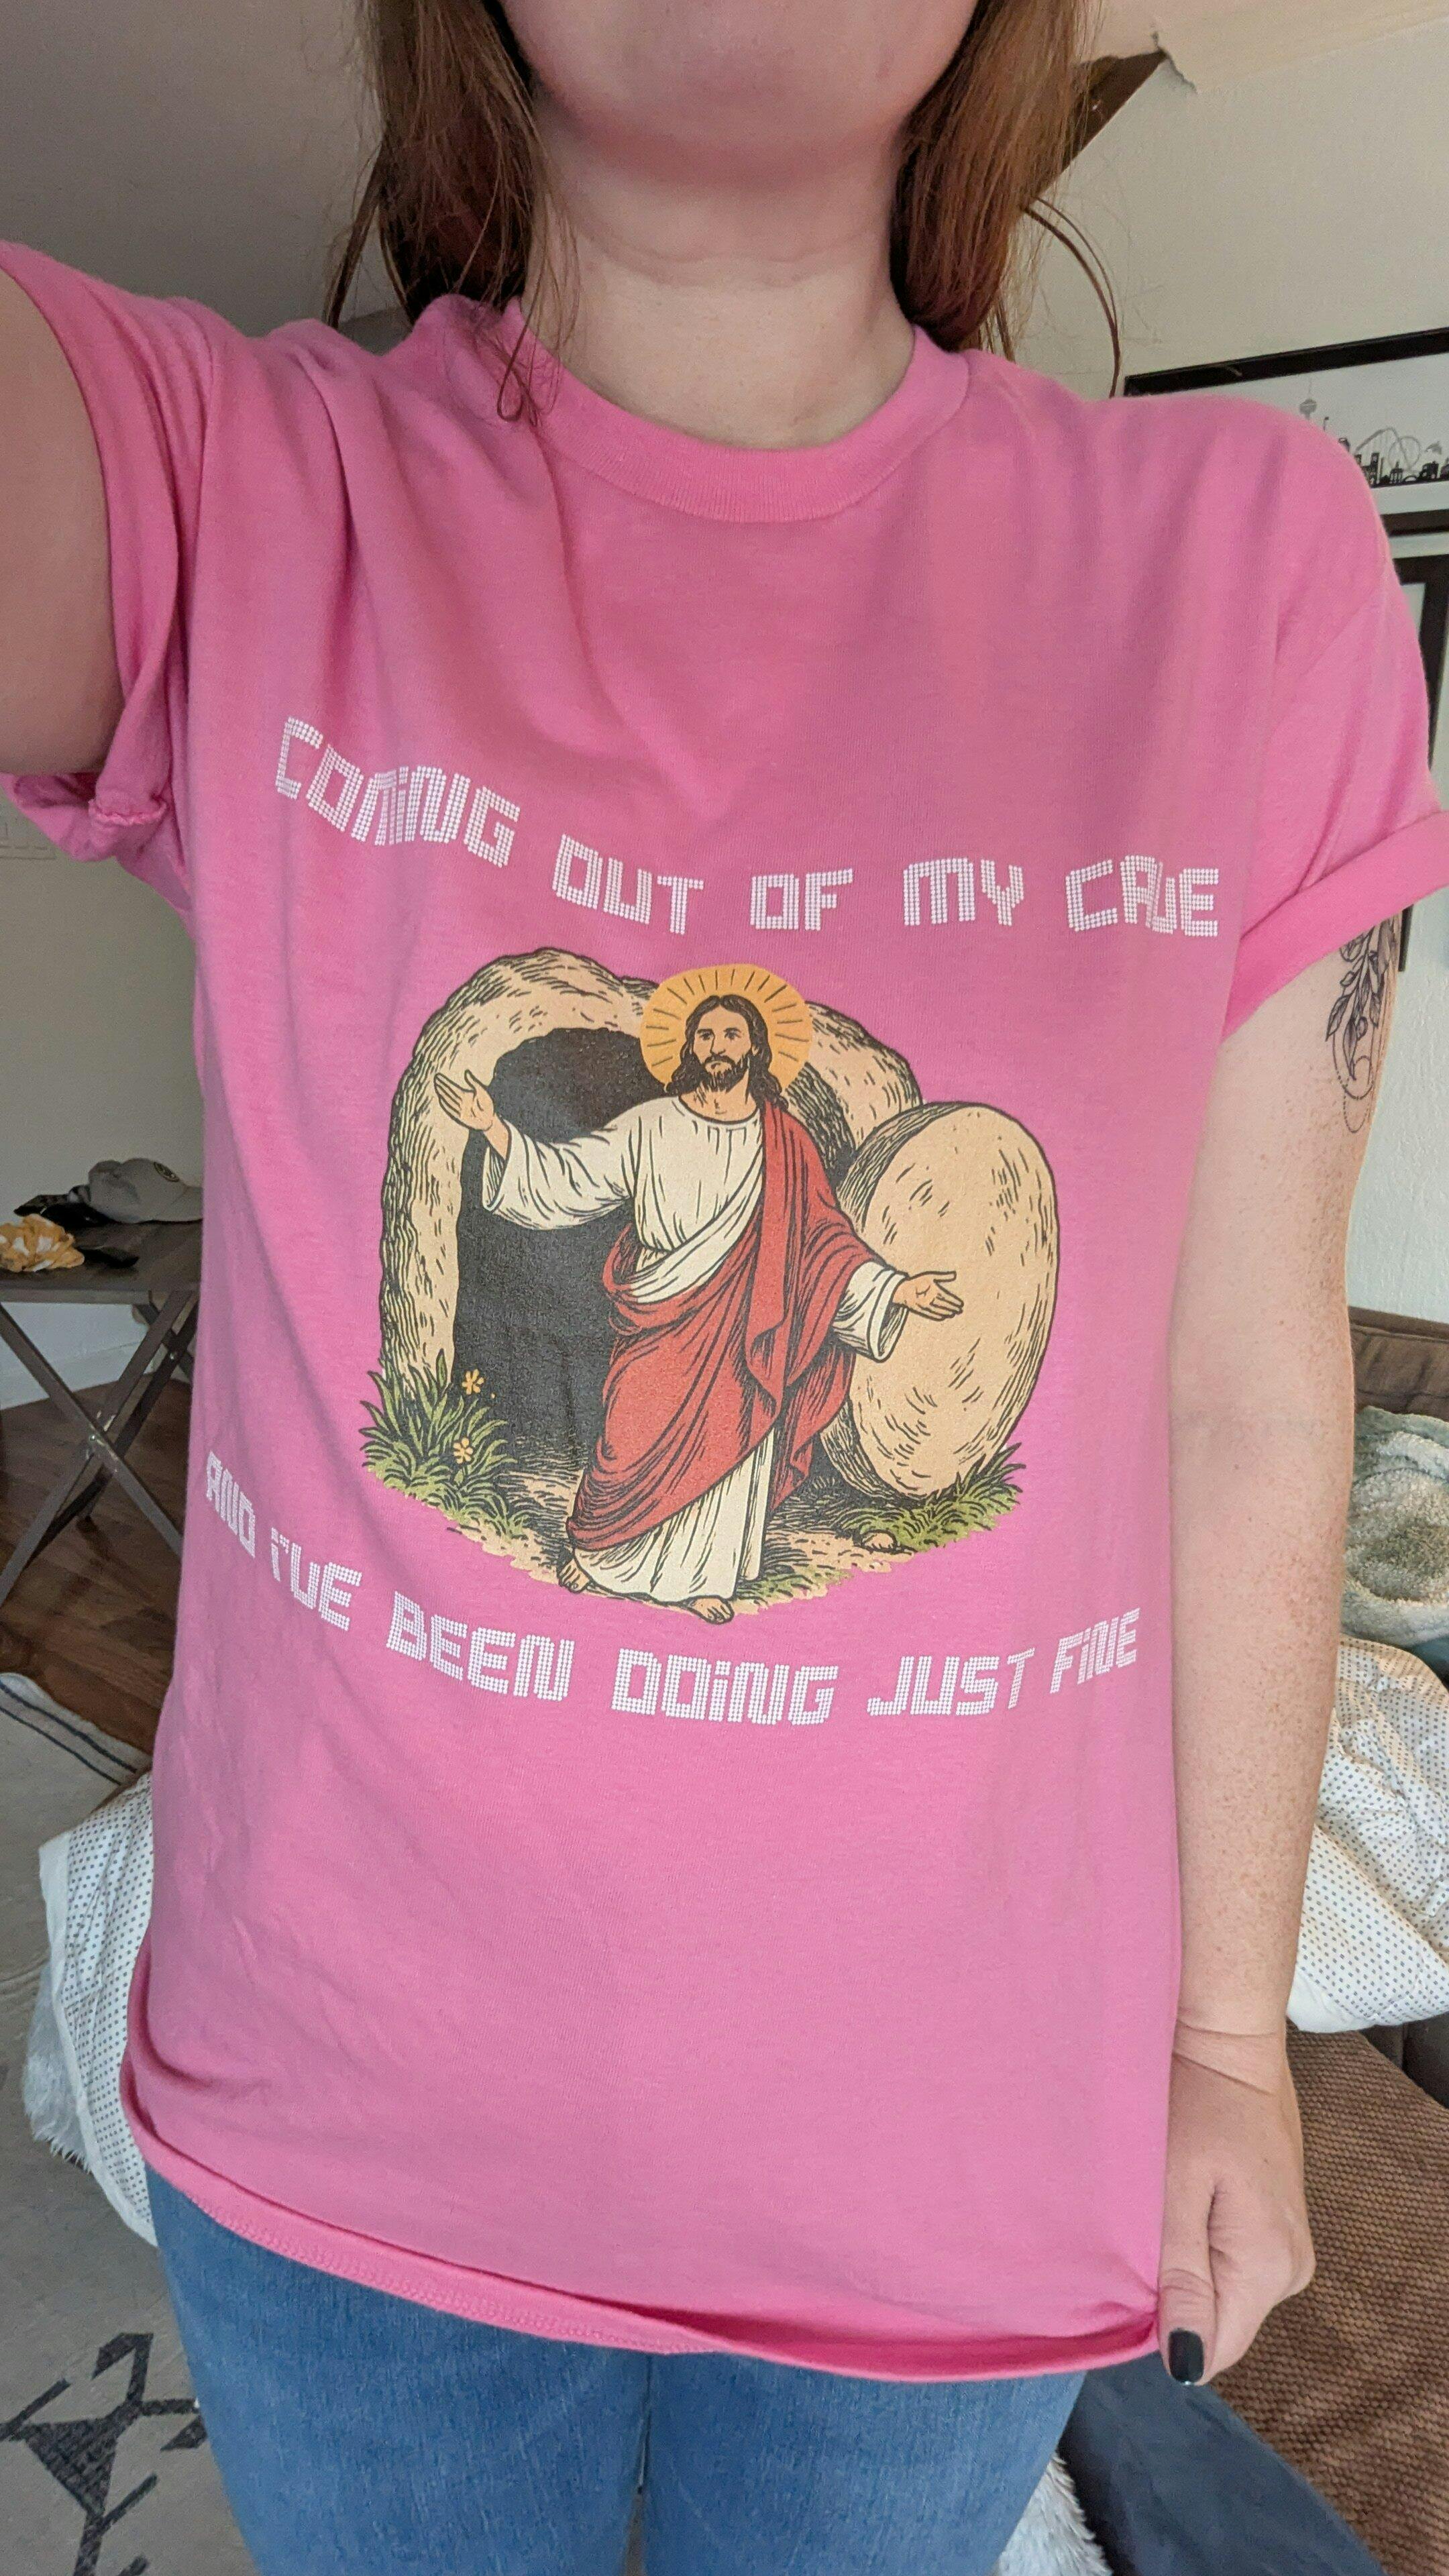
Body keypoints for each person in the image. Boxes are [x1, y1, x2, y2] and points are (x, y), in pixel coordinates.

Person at [2, 3, 1446, 2569]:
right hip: (352, 2153)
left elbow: (1238, 1388)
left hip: (956, 2166)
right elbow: (571, 1186)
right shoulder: (225, 481)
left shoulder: (1247, 559)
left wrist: (1227, 2035)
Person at [435, 989, 961, 1619]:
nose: (718, 1048)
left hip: (747, 1324)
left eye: (731, 1036)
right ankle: (599, 1552)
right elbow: (573, 1174)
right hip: (660, 1312)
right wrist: (493, 1128)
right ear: (689, 1049)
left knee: (731, 1441)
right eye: (706, 1036)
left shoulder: (785, 1141)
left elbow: (823, 1241)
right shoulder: (652, 1123)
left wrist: (898, 1288)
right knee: (629, 1437)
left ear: (755, 1049)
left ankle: (704, 1576)